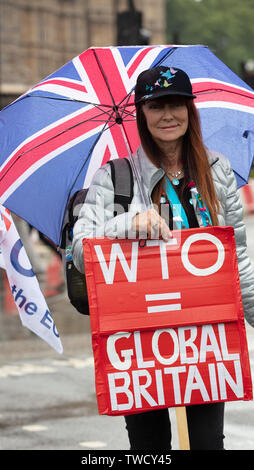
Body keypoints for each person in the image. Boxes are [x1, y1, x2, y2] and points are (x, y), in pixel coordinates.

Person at [72, 66, 254, 450]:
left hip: (206, 339)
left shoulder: (217, 171)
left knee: (208, 444)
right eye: (156, 106)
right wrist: (126, 223)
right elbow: (80, 247)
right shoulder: (115, 177)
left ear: (190, 110)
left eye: (176, 104)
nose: (168, 115)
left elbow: (236, 260)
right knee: (149, 449)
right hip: (138, 343)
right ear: (142, 113)